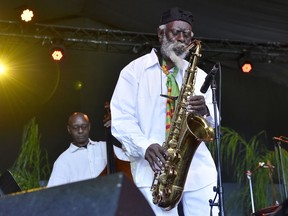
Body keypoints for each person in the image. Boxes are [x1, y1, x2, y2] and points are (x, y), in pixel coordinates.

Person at [110, 7, 219, 216]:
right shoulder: (133, 72)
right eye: (175, 32)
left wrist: (206, 111)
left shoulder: (198, 74)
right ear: (160, 34)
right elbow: (121, 120)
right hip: (155, 172)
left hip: (198, 171)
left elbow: (215, 125)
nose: (181, 38)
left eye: (186, 35)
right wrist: (145, 146)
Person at [47, 112, 107, 187]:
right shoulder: (62, 161)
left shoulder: (105, 147)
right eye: (75, 127)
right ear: (69, 129)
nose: (80, 131)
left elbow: (126, 154)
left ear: (89, 127)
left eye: (84, 126)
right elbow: (54, 192)